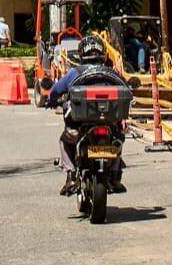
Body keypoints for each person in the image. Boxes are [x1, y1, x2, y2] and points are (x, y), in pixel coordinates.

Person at [46, 35, 126, 196]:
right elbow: (127, 88)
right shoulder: (111, 73)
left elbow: (55, 91)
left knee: (64, 141)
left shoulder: (74, 73)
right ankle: (115, 176)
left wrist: (51, 99)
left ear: (82, 54)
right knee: (118, 138)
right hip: (109, 122)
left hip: (79, 126)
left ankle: (71, 175)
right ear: (103, 53)